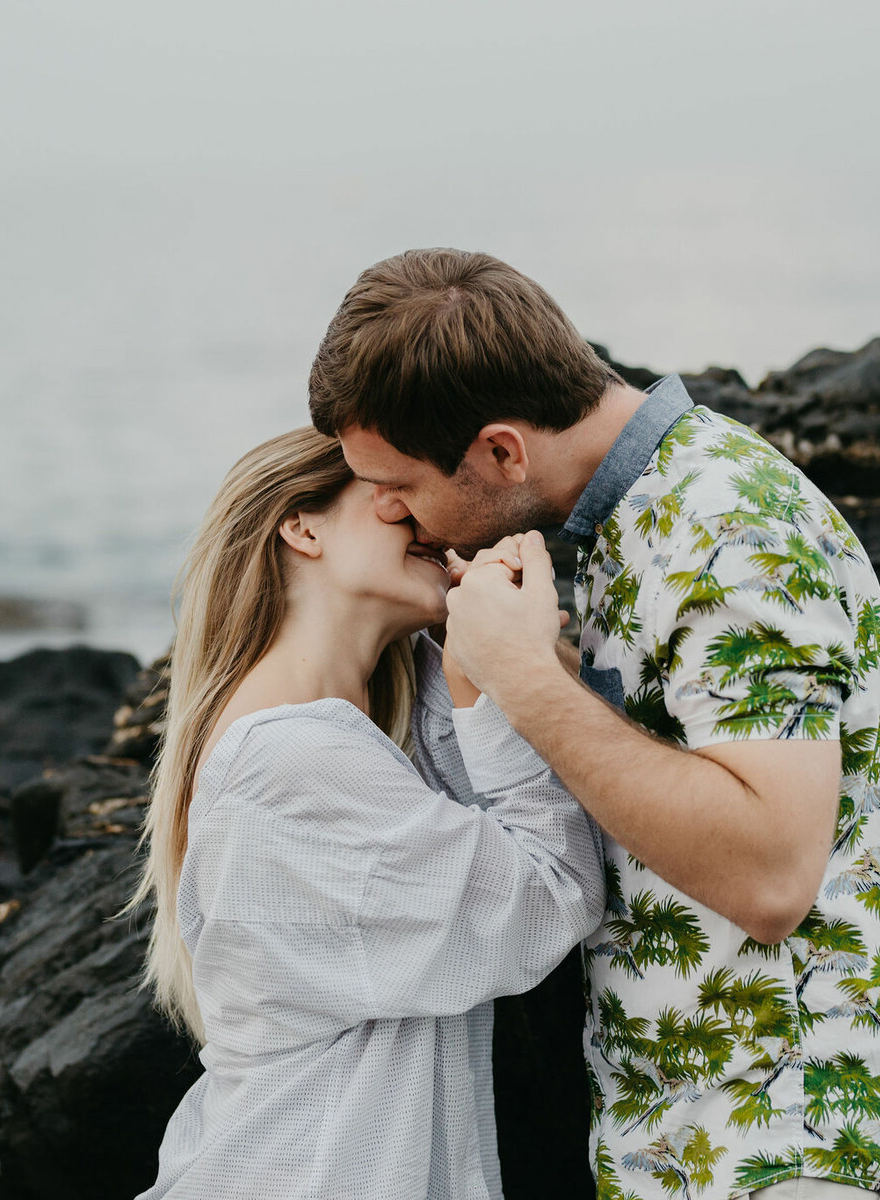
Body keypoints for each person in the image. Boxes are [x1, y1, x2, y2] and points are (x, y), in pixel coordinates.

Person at [309, 248, 880, 1199]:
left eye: (400, 484)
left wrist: (526, 682)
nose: (386, 511)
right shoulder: (611, 525)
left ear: (503, 449)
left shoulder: (728, 528)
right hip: (697, 1151)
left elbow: (771, 871)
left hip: (802, 1154)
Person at [116, 426, 606, 1200]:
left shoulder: (377, 727)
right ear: (301, 525)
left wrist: (489, 634)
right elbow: (550, 894)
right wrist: (496, 676)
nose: (422, 515)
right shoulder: (290, 761)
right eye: (390, 491)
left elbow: (565, 764)